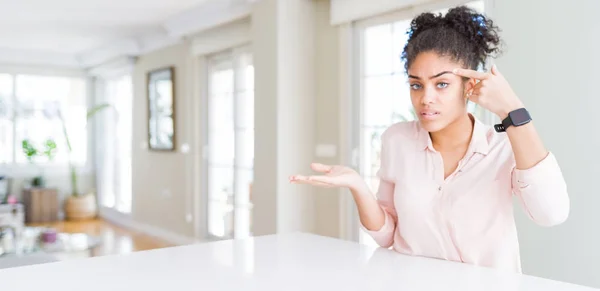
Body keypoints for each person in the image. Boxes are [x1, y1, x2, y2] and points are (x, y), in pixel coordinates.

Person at [289, 6, 569, 273]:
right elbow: (388, 236)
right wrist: (357, 185)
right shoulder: (396, 140)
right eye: (416, 85)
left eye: (442, 84)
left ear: (469, 85)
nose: (426, 98)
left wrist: (512, 109)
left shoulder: (505, 146)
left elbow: (551, 214)